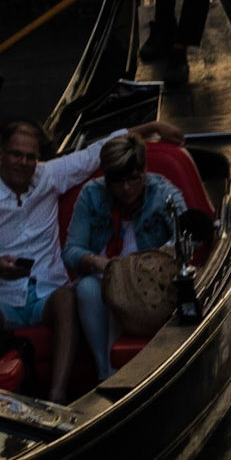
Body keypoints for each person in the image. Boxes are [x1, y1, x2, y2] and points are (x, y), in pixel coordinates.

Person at [0, 115, 184, 404]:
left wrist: (151, 127)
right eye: (16, 154)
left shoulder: (48, 176)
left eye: (30, 157)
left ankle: (57, 395)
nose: (24, 163)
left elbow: (97, 152)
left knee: (67, 297)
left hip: (49, 296)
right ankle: (4, 393)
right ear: (0, 155)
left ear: (38, 159)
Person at [62, 133, 185, 381]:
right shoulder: (91, 194)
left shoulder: (163, 193)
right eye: (118, 182)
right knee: (88, 287)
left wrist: (163, 254)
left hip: (149, 283)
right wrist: (102, 264)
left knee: (121, 288)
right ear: (106, 179)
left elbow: (188, 234)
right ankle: (105, 372)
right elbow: (71, 250)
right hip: (103, 275)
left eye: (133, 179)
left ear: (144, 171)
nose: (126, 188)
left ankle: (118, 373)